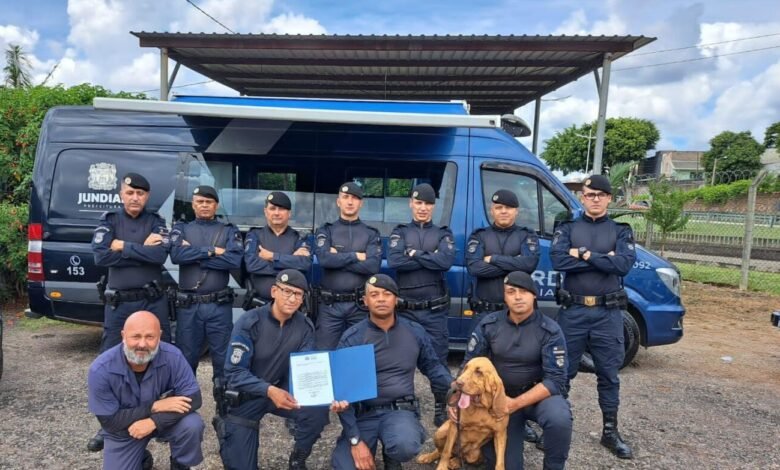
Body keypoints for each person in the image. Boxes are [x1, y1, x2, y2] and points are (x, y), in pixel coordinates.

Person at [550, 174, 637, 459]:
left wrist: (584, 255)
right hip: (573, 312)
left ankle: (610, 432)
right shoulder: (568, 228)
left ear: (609, 198)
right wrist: (603, 258)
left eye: (601, 195)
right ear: (582, 197)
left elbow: (622, 265)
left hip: (607, 314)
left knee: (609, 374)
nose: (595, 199)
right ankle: (557, 428)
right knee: (562, 373)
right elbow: (558, 260)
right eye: (590, 195)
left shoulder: (620, 231)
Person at [331, 274, 454, 470]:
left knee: (404, 445)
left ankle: (392, 455)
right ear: (365, 300)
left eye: (387, 294)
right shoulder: (353, 338)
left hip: (399, 412)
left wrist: (455, 389)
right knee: (345, 466)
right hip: (363, 415)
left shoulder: (414, 331)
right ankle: (361, 443)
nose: (381, 299)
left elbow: (433, 366)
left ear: (396, 299)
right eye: (374, 295)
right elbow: (342, 392)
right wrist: (354, 440)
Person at [89, 172, 172, 452]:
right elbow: (101, 255)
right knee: (111, 361)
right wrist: (140, 249)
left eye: (140, 193)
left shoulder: (156, 222)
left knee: (161, 359)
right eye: (130, 193)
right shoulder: (110, 221)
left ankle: (161, 420)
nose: (135, 197)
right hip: (120, 306)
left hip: (152, 303)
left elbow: (159, 256)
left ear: (147, 196)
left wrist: (122, 245)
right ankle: (107, 424)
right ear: (121, 194)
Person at [217, 269, 329, 470]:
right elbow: (234, 373)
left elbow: (305, 369)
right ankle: (226, 426)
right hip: (244, 398)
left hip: (279, 391)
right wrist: (269, 390)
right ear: (274, 291)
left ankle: (298, 458)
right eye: (287, 291)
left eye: (298, 294)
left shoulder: (305, 326)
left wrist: (324, 392)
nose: (292, 299)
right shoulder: (250, 321)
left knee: (318, 408)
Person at [461, 271, 572, 470]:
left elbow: (556, 380)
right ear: (504, 297)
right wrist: (456, 400)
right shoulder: (489, 325)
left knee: (559, 417)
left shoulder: (550, 330)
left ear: (534, 295)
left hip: (536, 397)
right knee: (507, 465)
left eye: (523, 291)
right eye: (511, 292)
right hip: (498, 399)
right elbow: (468, 365)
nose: (518, 297)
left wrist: (514, 404)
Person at [465, 188, 541, 444]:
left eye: (508, 208)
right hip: (484, 312)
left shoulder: (526, 236)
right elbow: (475, 267)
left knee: (516, 366)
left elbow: (528, 265)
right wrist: (512, 261)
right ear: (492, 210)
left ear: (516, 211)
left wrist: (493, 258)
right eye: (498, 207)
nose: (503, 211)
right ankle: (476, 415)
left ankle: (518, 417)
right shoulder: (480, 236)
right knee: (478, 366)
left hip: (515, 316)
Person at [87, 311, 204, 470]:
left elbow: (194, 398)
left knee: (192, 424)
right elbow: (110, 422)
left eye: (150, 337)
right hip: (124, 430)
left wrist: (154, 422)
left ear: (159, 336)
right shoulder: (101, 369)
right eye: (136, 336)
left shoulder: (173, 356)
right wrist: (154, 407)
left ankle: (180, 465)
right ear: (123, 336)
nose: (142, 344)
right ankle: (141, 458)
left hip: (165, 422)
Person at [169, 185, 243, 416]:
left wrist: (194, 253)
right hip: (189, 307)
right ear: (193, 204)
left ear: (216, 205)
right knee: (186, 359)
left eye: (208, 202)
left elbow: (234, 261)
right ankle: (183, 411)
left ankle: (224, 411)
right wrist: (212, 251)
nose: (204, 205)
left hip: (218, 307)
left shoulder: (228, 230)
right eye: (200, 201)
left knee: (222, 360)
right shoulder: (182, 228)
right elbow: (176, 255)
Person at [387, 183, 455, 427]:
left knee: (438, 361)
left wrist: (414, 254)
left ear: (434, 206)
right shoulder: (400, 232)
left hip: (434, 312)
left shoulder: (443, 234)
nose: (423, 208)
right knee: (400, 360)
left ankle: (441, 405)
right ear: (411, 204)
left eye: (428, 203)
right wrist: (430, 256)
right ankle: (404, 403)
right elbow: (395, 261)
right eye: (418, 203)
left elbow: (445, 262)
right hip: (405, 312)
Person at [314, 182, 382, 350]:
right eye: (345, 197)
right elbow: (324, 260)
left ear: (361, 203)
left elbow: (372, 266)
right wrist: (356, 256)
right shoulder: (326, 230)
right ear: (338, 202)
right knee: (325, 355)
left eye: (354, 198)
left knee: (358, 355)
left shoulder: (371, 233)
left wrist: (337, 257)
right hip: (329, 306)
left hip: (359, 306)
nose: (350, 202)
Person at [244, 191, 312, 306]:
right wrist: (290, 262)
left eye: (281, 209)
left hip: (290, 306)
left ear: (289, 213)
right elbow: (251, 265)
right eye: (272, 208)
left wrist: (272, 256)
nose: (276, 213)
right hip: (259, 305)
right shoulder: (255, 235)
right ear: (265, 212)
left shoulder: (299, 237)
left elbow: (304, 264)